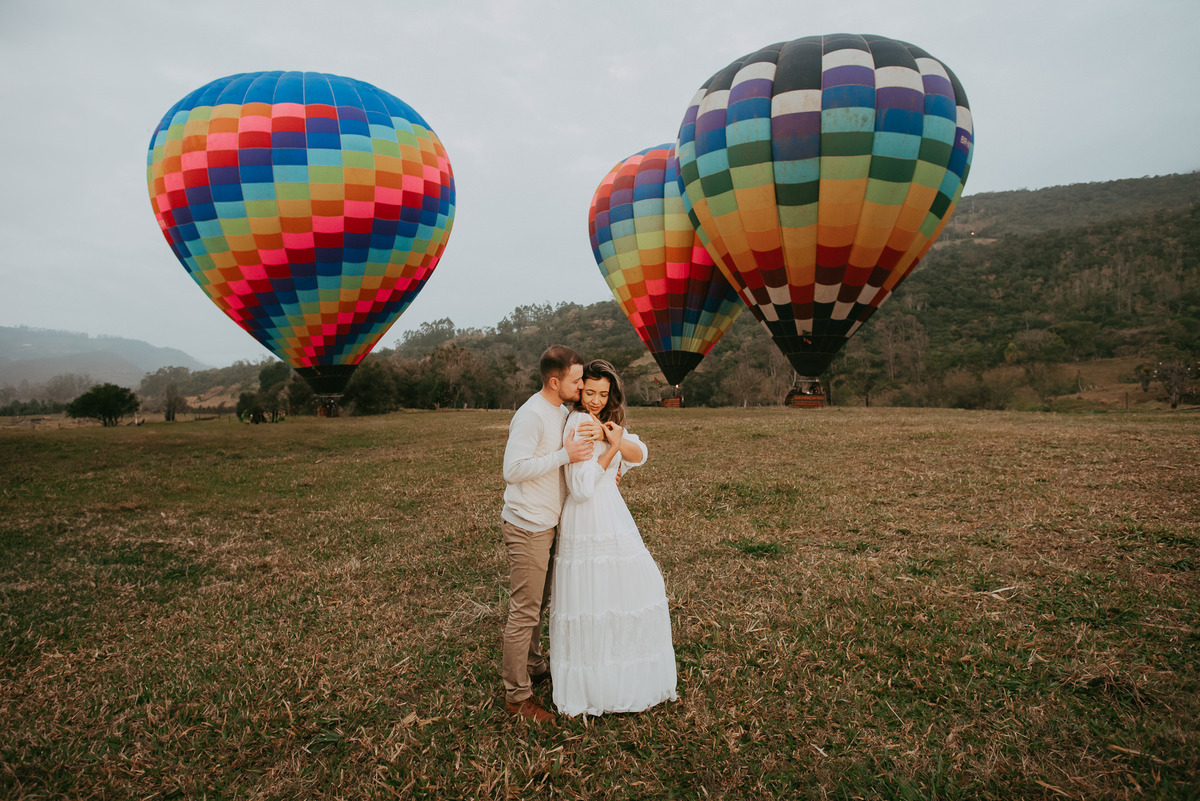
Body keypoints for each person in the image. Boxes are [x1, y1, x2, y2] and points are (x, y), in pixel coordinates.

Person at [549, 359, 678, 716]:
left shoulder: (605, 423)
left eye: (603, 394)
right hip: (588, 516)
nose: (595, 400)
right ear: (578, 390)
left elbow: (641, 453)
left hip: (612, 513)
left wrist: (612, 436)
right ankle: (594, 686)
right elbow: (581, 487)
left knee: (626, 589)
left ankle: (620, 676)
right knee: (595, 597)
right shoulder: (577, 423)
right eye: (589, 392)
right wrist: (610, 450)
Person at [499, 345, 601, 722]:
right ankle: (516, 696)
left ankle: (534, 664)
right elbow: (513, 469)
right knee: (524, 612)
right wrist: (564, 456)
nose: (582, 385)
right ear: (555, 381)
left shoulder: (562, 411)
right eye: (577, 380)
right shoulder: (531, 415)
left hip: (550, 522)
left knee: (538, 605)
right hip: (527, 525)